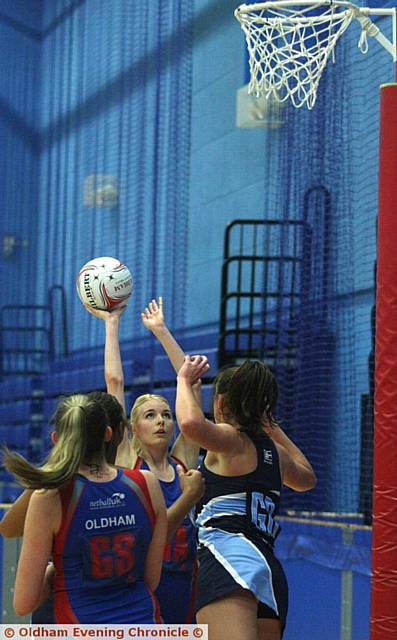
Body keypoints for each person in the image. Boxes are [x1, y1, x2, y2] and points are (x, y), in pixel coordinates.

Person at [175, 356, 317, 640]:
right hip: (267, 567)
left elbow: (190, 423)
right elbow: (307, 480)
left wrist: (182, 381)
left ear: (222, 403)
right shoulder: (276, 454)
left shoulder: (230, 440)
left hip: (229, 559)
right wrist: (269, 424)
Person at [86, 298, 204, 623]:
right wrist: (112, 325)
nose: (162, 421)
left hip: (184, 579)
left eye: (167, 414)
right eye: (151, 416)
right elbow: (115, 384)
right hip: (140, 581)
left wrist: (161, 330)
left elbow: (192, 387)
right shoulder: (128, 459)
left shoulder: (182, 461)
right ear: (132, 427)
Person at [3, 394, 167, 623]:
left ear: (56, 439)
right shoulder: (146, 483)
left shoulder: (50, 497)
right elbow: (151, 580)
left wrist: (55, 572)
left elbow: (24, 603)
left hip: (81, 624)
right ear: (109, 434)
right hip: (144, 622)